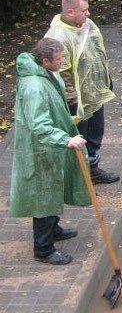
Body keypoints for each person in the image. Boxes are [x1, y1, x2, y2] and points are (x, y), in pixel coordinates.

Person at [10, 38, 91, 265]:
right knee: (44, 195)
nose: (62, 61)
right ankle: (43, 248)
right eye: (59, 59)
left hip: (50, 147)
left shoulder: (45, 74)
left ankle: (53, 229)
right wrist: (65, 139)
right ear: (45, 61)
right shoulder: (35, 86)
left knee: (54, 187)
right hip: (41, 149)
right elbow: (39, 125)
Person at [45, 0, 118, 184]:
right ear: (70, 12)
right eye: (84, 10)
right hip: (76, 99)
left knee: (95, 133)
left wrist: (105, 79)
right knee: (79, 138)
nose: (88, 14)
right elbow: (60, 72)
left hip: (93, 92)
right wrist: (72, 99)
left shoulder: (85, 24)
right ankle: (78, 177)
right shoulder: (58, 37)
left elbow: (97, 51)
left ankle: (91, 168)